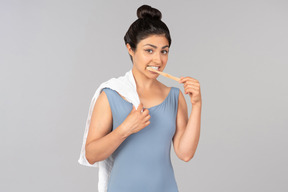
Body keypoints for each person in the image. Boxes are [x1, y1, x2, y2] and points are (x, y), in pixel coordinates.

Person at [83, 4, 202, 192]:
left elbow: (185, 153)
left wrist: (196, 105)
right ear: (130, 49)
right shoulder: (111, 94)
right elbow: (91, 155)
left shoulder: (174, 96)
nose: (158, 60)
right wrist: (125, 129)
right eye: (149, 50)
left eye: (164, 51)